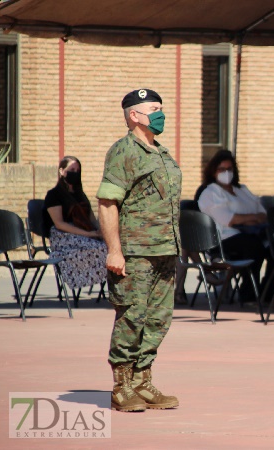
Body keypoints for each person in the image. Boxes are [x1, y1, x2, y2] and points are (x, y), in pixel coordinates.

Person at [97, 88, 180, 412]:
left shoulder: (159, 151)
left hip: (164, 250)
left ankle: (143, 382)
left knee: (158, 319)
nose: (160, 113)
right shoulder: (124, 151)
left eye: (161, 107)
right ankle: (121, 387)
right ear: (134, 115)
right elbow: (107, 204)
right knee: (132, 317)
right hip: (136, 252)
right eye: (154, 108)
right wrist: (114, 251)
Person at [198, 150, 270, 302]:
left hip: (251, 234)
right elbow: (230, 219)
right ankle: (248, 294)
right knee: (254, 246)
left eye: (229, 169)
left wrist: (249, 219)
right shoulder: (210, 193)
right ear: (213, 171)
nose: (226, 172)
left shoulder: (242, 190)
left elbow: (262, 213)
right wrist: (250, 218)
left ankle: (267, 292)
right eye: (221, 169)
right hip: (223, 240)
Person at [44, 156, 107, 292]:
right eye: (72, 169)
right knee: (102, 250)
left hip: (85, 233)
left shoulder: (80, 194)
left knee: (111, 246)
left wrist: (100, 231)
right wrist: (89, 234)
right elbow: (60, 224)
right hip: (64, 237)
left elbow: (91, 218)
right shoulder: (54, 195)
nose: (75, 173)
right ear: (62, 171)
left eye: (78, 170)